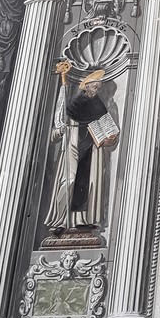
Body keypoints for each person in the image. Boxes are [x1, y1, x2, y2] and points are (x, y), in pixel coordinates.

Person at [46, 68, 118, 233]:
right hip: (73, 146)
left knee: (90, 184)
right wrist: (61, 131)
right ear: (86, 86)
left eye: (99, 88)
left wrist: (112, 139)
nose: (96, 91)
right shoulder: (73, 105)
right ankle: (62, 220)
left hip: (92, 149)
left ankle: (84, 220)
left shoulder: (100, 106)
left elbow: (110, 130)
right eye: (94, 87)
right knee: (69, 181)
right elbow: (56, 130)